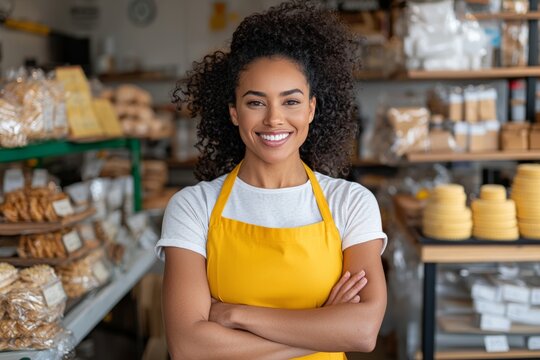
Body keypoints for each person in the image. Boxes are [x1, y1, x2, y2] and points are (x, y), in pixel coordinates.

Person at [156, 1, 387, 359]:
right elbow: (189, 348)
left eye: (291, 102)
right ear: (234, 112)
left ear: (311, 108)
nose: (274, 120)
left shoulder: (351, 203)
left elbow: (362, 331)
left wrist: (234, 315)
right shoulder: (192, 207)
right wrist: (324, 326)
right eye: (256, 103)